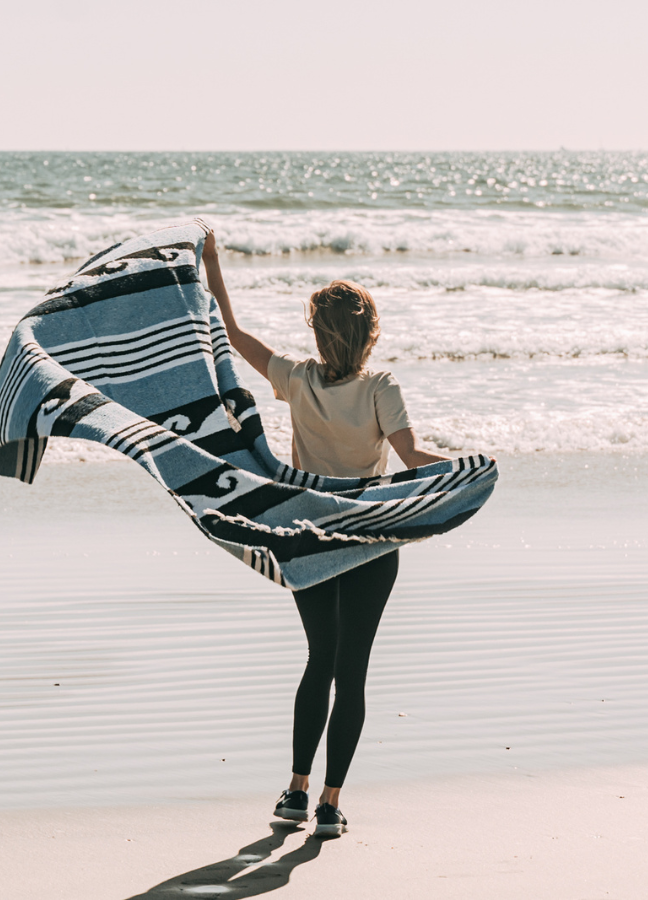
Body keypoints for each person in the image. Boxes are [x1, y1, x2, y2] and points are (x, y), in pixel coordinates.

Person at [201, 231, 452, 837]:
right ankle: (331, 804)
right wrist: (466, 470)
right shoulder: (380, 387)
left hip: (308, 538)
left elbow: (233, 338)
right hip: (368, 542)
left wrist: (211, 264)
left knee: (319, 661)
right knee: (353, 672)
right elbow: (414, 456)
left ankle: (294, 791)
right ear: (370, 336)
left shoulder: (298, 380)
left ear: (318, 334)